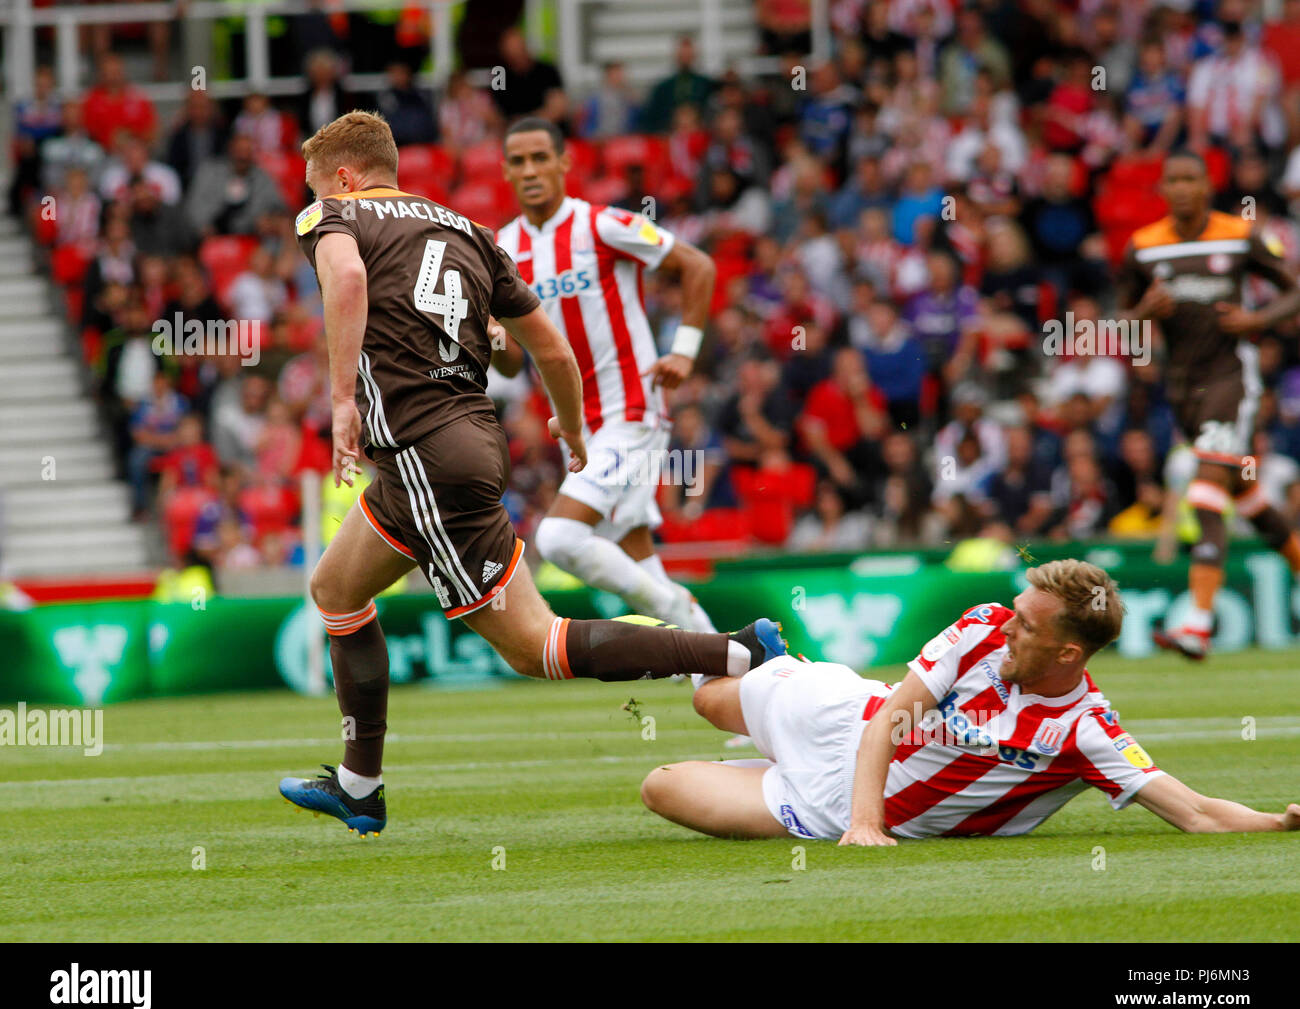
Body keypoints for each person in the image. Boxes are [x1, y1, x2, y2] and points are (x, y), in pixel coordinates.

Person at [279, 112, 783, 837]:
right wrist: (572, 428)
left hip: (424, 453)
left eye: (318, 183)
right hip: (456, 447)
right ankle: (361, 783)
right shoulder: (468, 231)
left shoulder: (332, 216)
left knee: (535, 645)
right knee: (334, 586)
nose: (314, 196)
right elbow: (547, 350)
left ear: (346, 178)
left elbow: (348, 276)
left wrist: (337, 400)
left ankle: (738, 650)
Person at [641, 560, 1300, 842]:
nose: (1007, 628)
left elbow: (1197, 814)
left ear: (1068, 653)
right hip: (845, 721)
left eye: (1027, 627)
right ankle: (766, 654)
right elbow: (892, 723)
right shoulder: (983, 624)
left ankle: (768, 692)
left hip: (823, 804)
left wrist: (1277, 822)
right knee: (710, 703)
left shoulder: (1086, 731)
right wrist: (866, 826)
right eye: (1015, 612)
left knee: (660, 787)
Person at [494, 117, 719, 633]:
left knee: (559, 539)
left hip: (633, 409)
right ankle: (728, 665)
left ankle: (674, 613)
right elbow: (508, 360)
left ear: (563, 163)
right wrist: (489, 335)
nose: (530, 170)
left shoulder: (603, 225)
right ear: (505, 171)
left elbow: (698, 265)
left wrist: (683, 351)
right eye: (518, 161)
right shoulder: (502, 252)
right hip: (582, 430)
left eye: (540, 158)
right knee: (636, 555)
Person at [1119, 152, 1300, 660]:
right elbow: (1119, 316)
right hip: (1181, 388)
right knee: (1247, 499)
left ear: (1206, 184)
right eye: (1173, 180)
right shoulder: (1143, 246)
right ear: (1162, 189)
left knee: (1205, 488)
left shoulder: (1238, 234)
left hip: (1230, 378)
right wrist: (1140, 314)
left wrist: (1256, 319)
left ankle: (1197, 624)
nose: (1181, 187)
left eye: (1190, 178)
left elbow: (1294, 290)